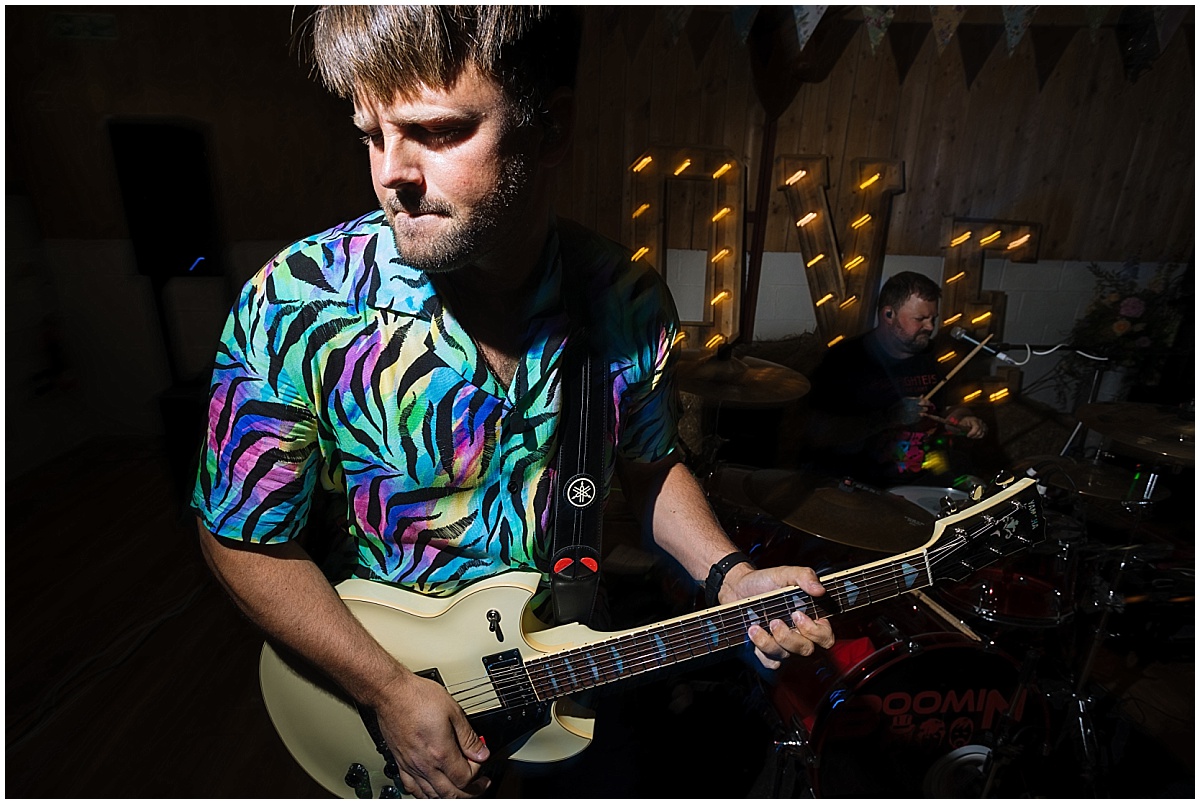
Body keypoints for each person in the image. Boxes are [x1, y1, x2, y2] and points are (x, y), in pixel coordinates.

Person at [192, 6, 833, 799]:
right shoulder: (296, 304)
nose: (392, 171)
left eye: (438, 131)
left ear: (551, 127)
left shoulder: (625, 301)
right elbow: (241, 538)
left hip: (561, 683)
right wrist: (385, 691)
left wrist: (729, 574)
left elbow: (648, 463)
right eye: (371, 133)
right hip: (385, 699)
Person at [801, 271, 989, 489]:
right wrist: (889, 418)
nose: (930, 327)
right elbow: (819, 433)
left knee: (977, 488)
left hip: (922, 476)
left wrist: (963, 421)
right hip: (858, 483)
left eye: (933, 319)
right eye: (920, 319)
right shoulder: (844, 360)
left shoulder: (939, 359)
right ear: (888, 314)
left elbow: (950, 410)